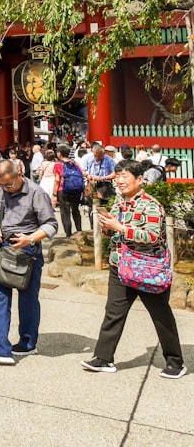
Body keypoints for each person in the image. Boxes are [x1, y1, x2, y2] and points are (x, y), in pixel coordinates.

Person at [81, 159, 186, 378]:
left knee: (161, 316)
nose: (119, 181)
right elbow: (117, 233)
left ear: (139, 179)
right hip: (120, 266)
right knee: (113, 313)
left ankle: (175, 362)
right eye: (117, 176)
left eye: (124, 176)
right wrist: (109, 227)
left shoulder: (151, 205)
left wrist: (119, 227)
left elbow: (153, 236)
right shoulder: (120, 202)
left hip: (147, 269)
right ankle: (103, 358)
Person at [0, 159, 57, 365]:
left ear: (19, 174)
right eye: (2, 185)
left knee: (28, 298)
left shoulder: (36, 193)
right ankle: (0, 348)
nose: (5, 189)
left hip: (27, 249)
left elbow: (51, 225)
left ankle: (28, 343)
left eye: (9, 185)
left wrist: (29, 239)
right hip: (0, 246)